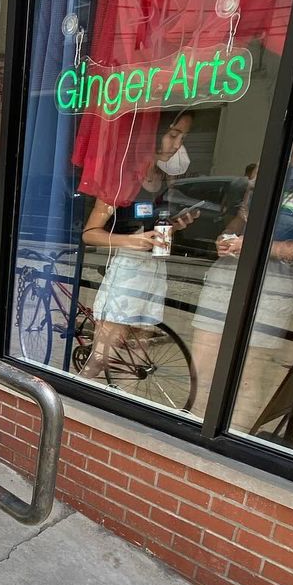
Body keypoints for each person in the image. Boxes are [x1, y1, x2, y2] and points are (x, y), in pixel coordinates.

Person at [190, 113, 293, 428]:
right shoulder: (266, 168)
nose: (290, 125)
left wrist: (261, 249)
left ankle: (227, 453)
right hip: (227, 276)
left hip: (273, 286)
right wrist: (227, 236)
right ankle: (185, 446)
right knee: (201, 372)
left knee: (245, 380)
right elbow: (242, 219)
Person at [79, 112, 199, 382]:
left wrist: (177, 226)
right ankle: (68, 402)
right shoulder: (123, 178)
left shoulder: (164, 180)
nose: (178, 144)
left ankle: (123, 401)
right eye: (173, 135)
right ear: (152, 136)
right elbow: (90, 233)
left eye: (183, 138)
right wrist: (133, 241)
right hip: (127, 267)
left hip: (155, 269)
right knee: (103, 353)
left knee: (138, 353)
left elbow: (155, 227)